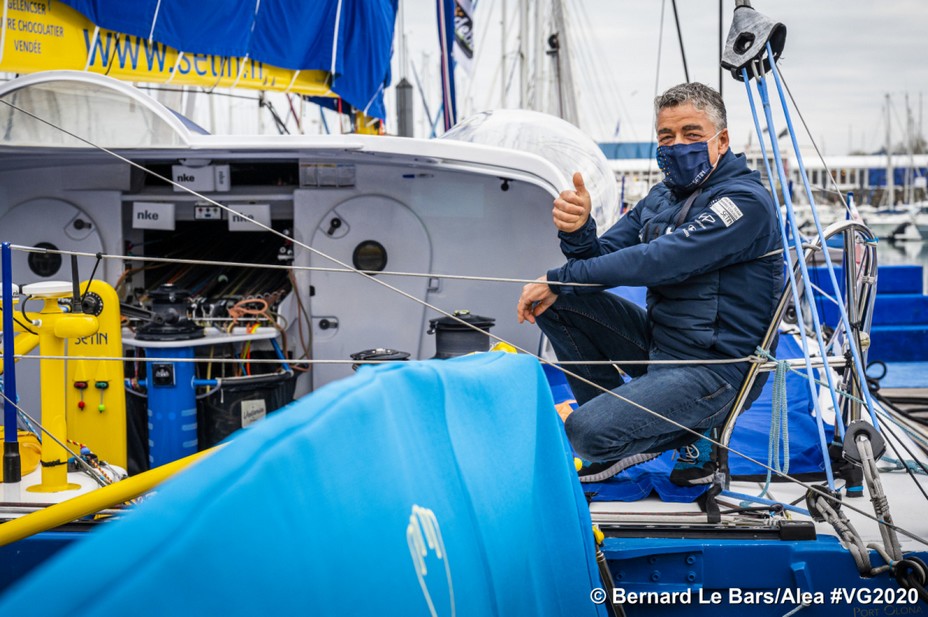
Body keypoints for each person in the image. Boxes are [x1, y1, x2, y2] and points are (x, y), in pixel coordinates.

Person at [517, 82, 783, 486]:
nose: (677, 145)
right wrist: (578, 230)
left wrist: (557, 278)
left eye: (692, 134)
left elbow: (661, 261)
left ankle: (693, 431)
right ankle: (615, 428)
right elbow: (597, 260)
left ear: (722, 140)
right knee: (557, 302)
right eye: (667, 136)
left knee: (584, 432)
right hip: (660, 350)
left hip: (715, 372)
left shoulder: (745, 202)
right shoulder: (661, 198)